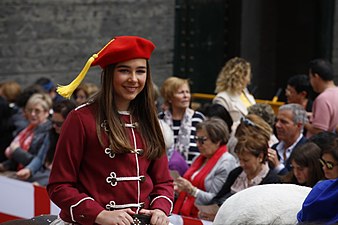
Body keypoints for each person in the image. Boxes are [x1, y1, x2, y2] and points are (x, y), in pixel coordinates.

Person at [47, 36, 174, 225]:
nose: (133, 79)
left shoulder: (150, 120)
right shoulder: (80, 119)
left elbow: (164, 182)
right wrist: (99, 214)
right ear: (109, 74)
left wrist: (159, 209)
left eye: (140, 71)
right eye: (124, 71)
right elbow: (59, 185)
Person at [172, 118, 237, 218]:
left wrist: (192, 190)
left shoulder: (226, 162)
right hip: (184, 213)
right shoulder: (199, 158)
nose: (198, 144)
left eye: (202, 140)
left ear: (218, 141)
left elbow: (215, 199)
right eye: (196, 139)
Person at [210, 114, 281, 207]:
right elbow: (216, 199)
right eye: (240, 159)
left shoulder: (272, 181)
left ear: (260, 157)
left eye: (246, 160)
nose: (242, 164)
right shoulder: (236, 173)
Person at [0, 93, 52, 182]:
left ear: (46, 113)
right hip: (20, 173)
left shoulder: (49, 133)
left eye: (37, 111)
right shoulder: (27, 130)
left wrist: (16, 151)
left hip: (36, 178)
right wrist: (5, 165)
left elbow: (39, 162)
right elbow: (16, 160)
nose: (32, 114)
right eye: (30, 110)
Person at [159, 77, 205, 165]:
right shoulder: (160, 120)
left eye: (187, 92)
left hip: (192, 173)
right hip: (166, 173)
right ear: (169, 98)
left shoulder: (198, 118)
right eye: (181, 92)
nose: (186, 96)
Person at [31, 99, 76, 186]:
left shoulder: (76, 141)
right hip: (44, 175)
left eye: (59, 124)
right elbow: (40, 157)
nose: (54, 126)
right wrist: (29, 169)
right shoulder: (51, 134)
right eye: (53, 122)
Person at [213, 57, 256, 124]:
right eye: (248, 75)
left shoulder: (248, 96)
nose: (249, 80)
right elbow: (221, 126)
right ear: (241, 76)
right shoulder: (222, 98)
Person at [268, 104, 308, 175]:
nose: (277, 125)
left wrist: (278, 167)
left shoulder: (307, 150)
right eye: (277, 121)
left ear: (299, 125)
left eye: (283, 122)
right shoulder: (274, 148)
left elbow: (297, 182)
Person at [305, 59, 338, 137]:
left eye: (310, 78)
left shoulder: (323, 98)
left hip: (322, 147)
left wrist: (303, 121)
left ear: (316, 76)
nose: (310, 82)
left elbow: (319, 131)